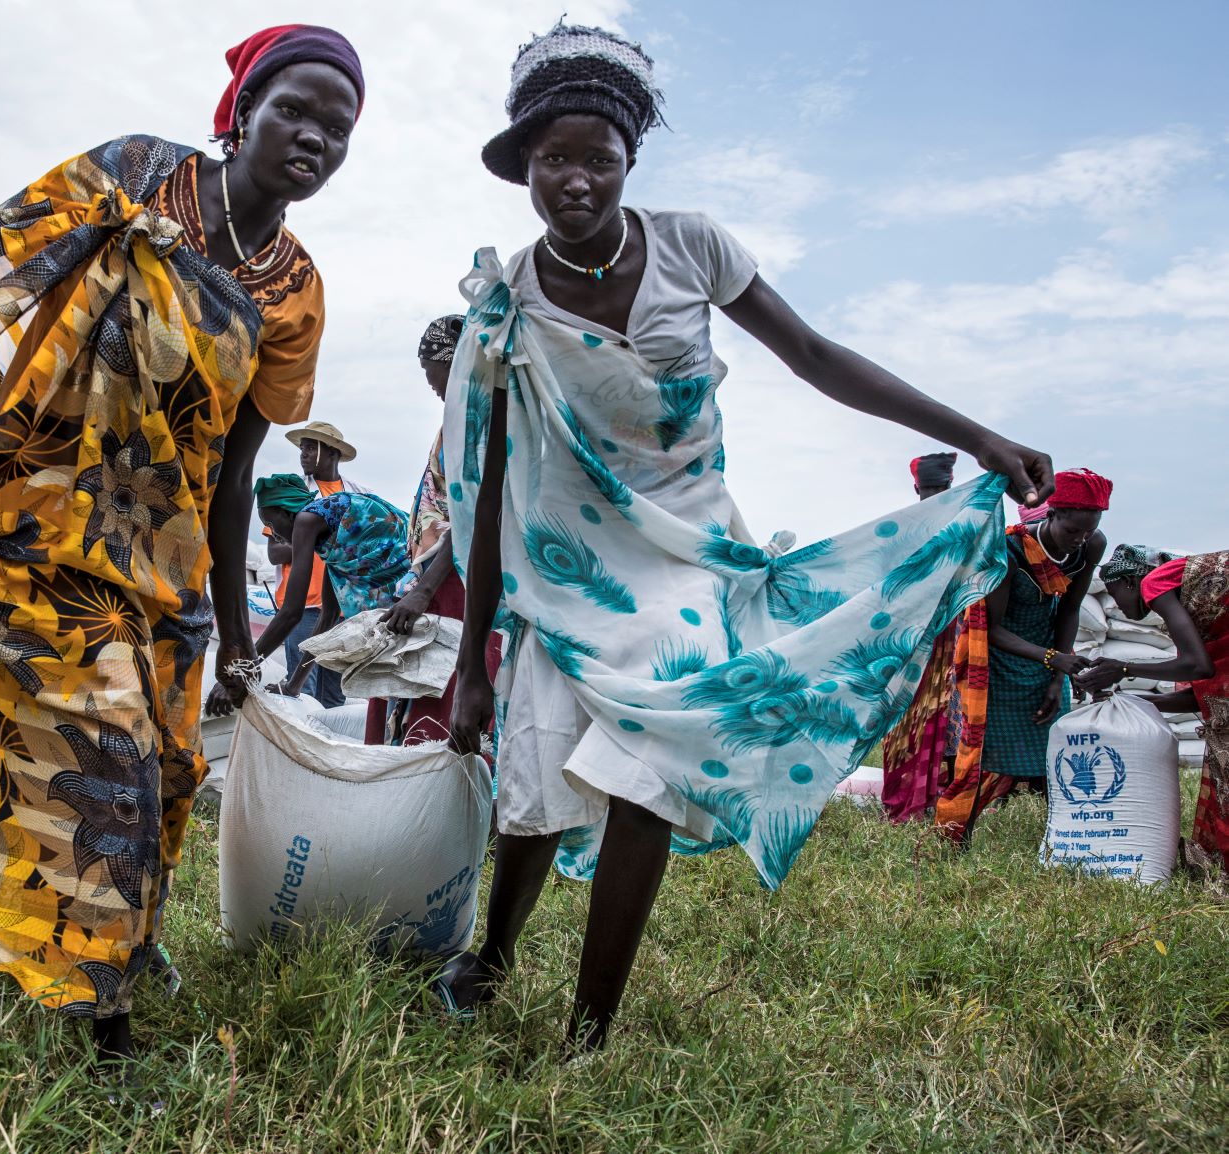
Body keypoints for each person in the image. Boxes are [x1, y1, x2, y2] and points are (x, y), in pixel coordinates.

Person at [437, 22, 1054, 1051]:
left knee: (651, 768)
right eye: (555, 159)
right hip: (569, 559)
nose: (577, 180)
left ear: (630, 160)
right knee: (536, 772)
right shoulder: (510, 301)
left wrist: (974, 432)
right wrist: (471, 654)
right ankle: (488, 956)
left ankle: (588, 1031)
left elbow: (814, 353)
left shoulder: (692, 244)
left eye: (599, 157)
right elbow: (492, 478)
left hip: (685, 551)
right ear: (524, 170)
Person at [0, 25, 364, 1064]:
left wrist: (233, 614)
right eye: (295, 108)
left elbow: (235, 463)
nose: (313, 135)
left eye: (336, 128)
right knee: (106, 759)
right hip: (29, 522)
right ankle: (100, 1023)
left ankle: (112, 945)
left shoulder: (293, 287)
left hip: (161, 558)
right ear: (242, 110)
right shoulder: (133, 176)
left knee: (165, 771)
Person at [934, 469, 1112, 841]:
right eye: (1072, 531)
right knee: (985, 755)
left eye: (1087, 531)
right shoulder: (1009, 551)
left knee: (1054, 756)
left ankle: (1067, 840)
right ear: (1051, 515)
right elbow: (991, 629)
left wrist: (1057, 675)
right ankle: (956, 834)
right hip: (1000, 664)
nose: (1079, 541)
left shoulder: (1090, 546)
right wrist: (1052, 659)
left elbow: (1070, 609)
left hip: (1048, 657)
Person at [367, 315, 504, 746]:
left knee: (443, 699)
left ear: (457, 362)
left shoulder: (475, 424)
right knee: (426, 693)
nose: (432, 384)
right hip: (448, 579)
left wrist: (423, 589)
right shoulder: (467, 421)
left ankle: (451, 801)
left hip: (456, 583)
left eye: (434, 373)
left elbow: (472, 519)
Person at [1079, 545, 1225, 869]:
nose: (1116, 604)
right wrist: (1129, 700)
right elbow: (1201, 696)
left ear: (1131, 582)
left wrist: (1125, 669)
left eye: (1115, 594)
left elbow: (1197, 667)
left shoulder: (1155, 582)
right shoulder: (1209, 614)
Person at [218, 474, 413, 707]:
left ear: (287, 512)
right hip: (405, 586)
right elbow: (327, 617)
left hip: (413, 580)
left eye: (271, 523)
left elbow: (291, 612)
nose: (274, 534)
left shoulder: (306, 519)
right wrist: (293, 686)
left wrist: (240, 671)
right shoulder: (333, 537)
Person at [880, 452, 962, 822]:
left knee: (942, 713)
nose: (933, 495)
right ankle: (904, 799)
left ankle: (933, 797)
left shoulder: (961, 528)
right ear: (917, 488)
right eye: (929, 489)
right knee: (906, 715)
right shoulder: (906, 530)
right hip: (909, 635)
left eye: (939, 489)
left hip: (946, 633)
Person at [264, 420, 362, 707]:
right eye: (302, 449)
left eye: (310, 448)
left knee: (333, 691)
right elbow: (274, 553)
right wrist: (317, 541)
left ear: (332, 453)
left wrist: (320, 540)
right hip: (304, 605)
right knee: (302, 688)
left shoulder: (356, 494)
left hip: (342, 606)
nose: (303, 454)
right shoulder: (291, 495)